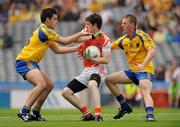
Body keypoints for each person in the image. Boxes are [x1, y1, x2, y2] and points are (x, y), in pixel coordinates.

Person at [15, 8, 92, 122]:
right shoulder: (46, 31)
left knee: (49, 85)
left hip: (30, 62)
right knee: (41, 84)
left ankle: (36, 112)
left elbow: (57, 50)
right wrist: (81, 33)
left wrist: (77, 48)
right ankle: (24, 111)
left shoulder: (46, 32)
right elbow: (65, 41)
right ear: (47, 20)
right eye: (55, 19)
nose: (57, 21)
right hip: (25, 61)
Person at [105, 14, 156, 121]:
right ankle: (124, 106)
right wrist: (100, 42)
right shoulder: (123, 40)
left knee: (144, 89)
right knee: (108, 80)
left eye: (125, 23)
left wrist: (143, 64)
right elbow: (109, 47)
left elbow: (152, 50)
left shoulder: (142, 35)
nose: (122, 25)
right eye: (122, 23)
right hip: (132, 71)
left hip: (145, 69)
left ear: (132, 24)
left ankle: (150, 116)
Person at [61, 13, 111, 122]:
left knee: (92, 84)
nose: (86, 26)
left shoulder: (105, 39)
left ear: (95, 25)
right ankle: (87, 114)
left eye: (88, 24)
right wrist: (89, 36)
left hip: (98, 70)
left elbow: (106, 60)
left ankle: (98, 114)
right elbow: (75, 40)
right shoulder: (88, 36)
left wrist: (93, 59)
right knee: (66, 92)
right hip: (87, 71)